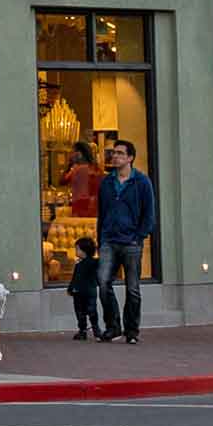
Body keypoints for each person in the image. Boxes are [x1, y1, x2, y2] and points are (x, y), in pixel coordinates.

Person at [95, 138, 155, 344]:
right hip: (109, 241)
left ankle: (132, 331)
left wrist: (139, 237)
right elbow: (101, 213)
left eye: (120, 153)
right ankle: (113, 327)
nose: (115, 156)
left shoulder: (142, 182)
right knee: (103, 283)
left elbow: (149, 213)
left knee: (133, 288)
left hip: (131, 242)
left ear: (130, 158)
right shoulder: (106, 183)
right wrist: (100, 238)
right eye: (114, 153)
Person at [66, 236, 102, 341]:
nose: (75, 251)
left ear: (84, 251)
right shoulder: (80, 264)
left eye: (77, 249)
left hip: (85, 291)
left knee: (85, 311)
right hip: (84, 291)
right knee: (86, 311)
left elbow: (75, 278)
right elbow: (75, 278)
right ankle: (87, 331)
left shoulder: (92, 262)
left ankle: (92, 330)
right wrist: (71, 288)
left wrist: (71, 288)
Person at [60, 142, 102, 221]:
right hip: (94, 210)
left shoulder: (78, 169)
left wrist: (69, 164)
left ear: (79, 154)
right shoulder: (96, 169)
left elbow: (62, 181)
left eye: (72, 152)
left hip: (81, 209)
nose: (70, 155)